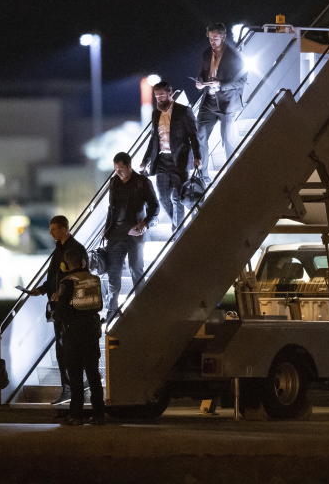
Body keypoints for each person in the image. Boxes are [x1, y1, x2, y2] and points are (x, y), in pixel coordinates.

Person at [28, 215, 88, 406]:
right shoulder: (59, 250)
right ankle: (69, 387)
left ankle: (72, 388)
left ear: (64, 229)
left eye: (54, 229)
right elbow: (55, 277)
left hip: (69, 309)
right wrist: (43, 290)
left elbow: (78, 279)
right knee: (62, 348)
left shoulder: (74, 250)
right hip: (59, 308)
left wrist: (61, 295)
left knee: (67, 349)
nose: (51, 233)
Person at [51, 246, 106, 425]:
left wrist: (55, 303)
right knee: (93, 374)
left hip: (74, 333)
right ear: (84, 261)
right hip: (91, 330)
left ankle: (76, 414)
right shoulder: (95, 279)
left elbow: (61, 312)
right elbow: (99, 305)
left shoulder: (68, 282)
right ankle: (99, 414)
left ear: (67, 264)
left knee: (75, 375)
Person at [139, 80, 201, 231]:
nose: (159, 98)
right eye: (156, 96)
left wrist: (198, 157)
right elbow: (153, 139)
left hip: (180, 160)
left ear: (170, 93)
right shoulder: (155, 113)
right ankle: (178, 225)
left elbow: (194, 135)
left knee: (177, 198)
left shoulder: (183, 111)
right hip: (161, 160)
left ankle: (177, 230)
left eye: (161, 95)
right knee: (163, 198)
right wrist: (145, 160)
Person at [103, 151, 159, 315]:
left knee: (136, 268)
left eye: (121, 168)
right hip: (116, 232)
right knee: (113, 271)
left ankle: (141, 307)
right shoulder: (114, 182)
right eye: (115, 169)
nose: (118, 172)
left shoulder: (142, 182)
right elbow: (111, 208)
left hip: (135, 231)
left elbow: (154, 206)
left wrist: (145, 223)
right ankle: (112, 309)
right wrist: (106, 228)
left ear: (129, 166)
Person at [195, 22, 247, 183]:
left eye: (215, 39)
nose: (212, 42)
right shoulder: (206, 53)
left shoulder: (235, 55)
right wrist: (199, 82)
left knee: (227, 140)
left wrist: (221, 85)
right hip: (208, 103)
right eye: (210, 38)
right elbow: (202, 73)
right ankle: (203, 176)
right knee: (200, 137)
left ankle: (232, 174)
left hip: (227, 105)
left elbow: (242, 80)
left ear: (223, 37)